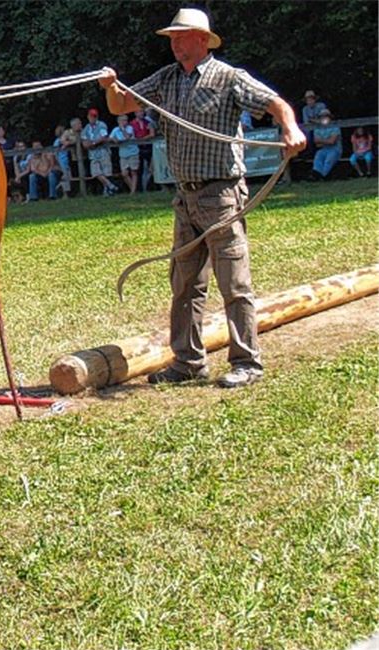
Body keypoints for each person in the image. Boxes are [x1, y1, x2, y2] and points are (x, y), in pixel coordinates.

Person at [100, 6, 306, 389]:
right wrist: (111, 87)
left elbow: (276, 103)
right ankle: (188, 361)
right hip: (186, 197)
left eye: (180, 37)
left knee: (234, 283)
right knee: (184, 284)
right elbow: (122, 107)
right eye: (173, 38)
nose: (175, 44)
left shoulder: (229, 78)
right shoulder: (167, 79)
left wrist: (290, 129)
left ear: (201, 39)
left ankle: (247, 362)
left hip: (222, 194)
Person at [81, 108, 118, 196]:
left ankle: (107, 191)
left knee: (106, 172)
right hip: (93, 154)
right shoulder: (86, 128)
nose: (93, 118)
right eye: (91, 116)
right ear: (88, 117)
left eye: (94, 116)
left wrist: (93, 143)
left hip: (103, 151)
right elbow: (84, 141)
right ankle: (110, 185)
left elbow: (103, 137)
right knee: (95, 173)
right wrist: (89, 144)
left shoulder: (101, 125)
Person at [110, 114, 140, 194]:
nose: (124, 122)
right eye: (122, 120)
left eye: (126, 120)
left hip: (133, 152)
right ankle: (133, 189)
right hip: (123, 154)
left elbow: (127, 137)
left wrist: (122, 129)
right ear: (118, 121)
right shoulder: (115, 129)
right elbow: (110, 138)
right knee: (124, 173)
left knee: (133, 171)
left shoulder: (130, 128)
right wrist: (114, 139)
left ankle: (133, 192)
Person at [310, 108, 341, 180]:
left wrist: (321, 141)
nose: (324, 118)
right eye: (322, 117)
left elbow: (332, 141)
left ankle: (323, 175)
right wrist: (327, 141)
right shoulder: (317, 128)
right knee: (318, 156)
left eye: (326, 116)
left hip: (335, 149)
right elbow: (316, 142)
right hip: (323, 149)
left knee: (329, 159)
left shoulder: (335, 127)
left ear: (330, 117)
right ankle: (316, 174)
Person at [129, 109, 155, 191]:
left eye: (142, 112)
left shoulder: (148, 122)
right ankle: (139, 189)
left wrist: (143, 138)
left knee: (151, 168)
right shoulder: (132, 124)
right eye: (139, 112)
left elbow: (152, 134)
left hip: (148, 147)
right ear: (135, 113)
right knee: (138, 169)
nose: (141, 113)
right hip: (137, 148)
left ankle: (151, 187)